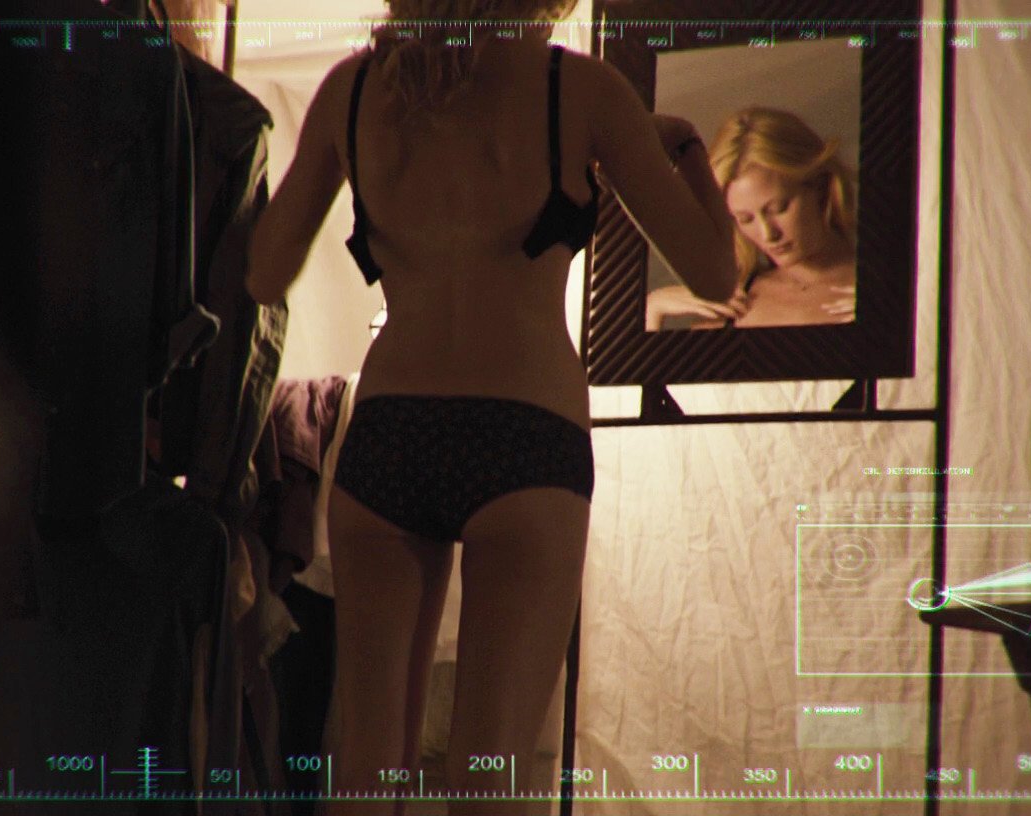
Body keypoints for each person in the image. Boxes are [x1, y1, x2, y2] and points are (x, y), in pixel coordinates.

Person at [244, 2, 737, 813]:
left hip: (391, 430)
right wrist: (682, 151)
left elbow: (263, 275)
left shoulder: (353, 91)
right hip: (525, 433)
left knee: (366, 766)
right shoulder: (581, 90)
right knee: (492, 772)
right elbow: (716, 274)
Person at [644, 106, 858, 331]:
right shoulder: (734, 303)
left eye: (778, 208)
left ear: (821, 187)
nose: (768, 234)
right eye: (745, 219)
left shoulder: (878, 285)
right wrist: (652, 309)